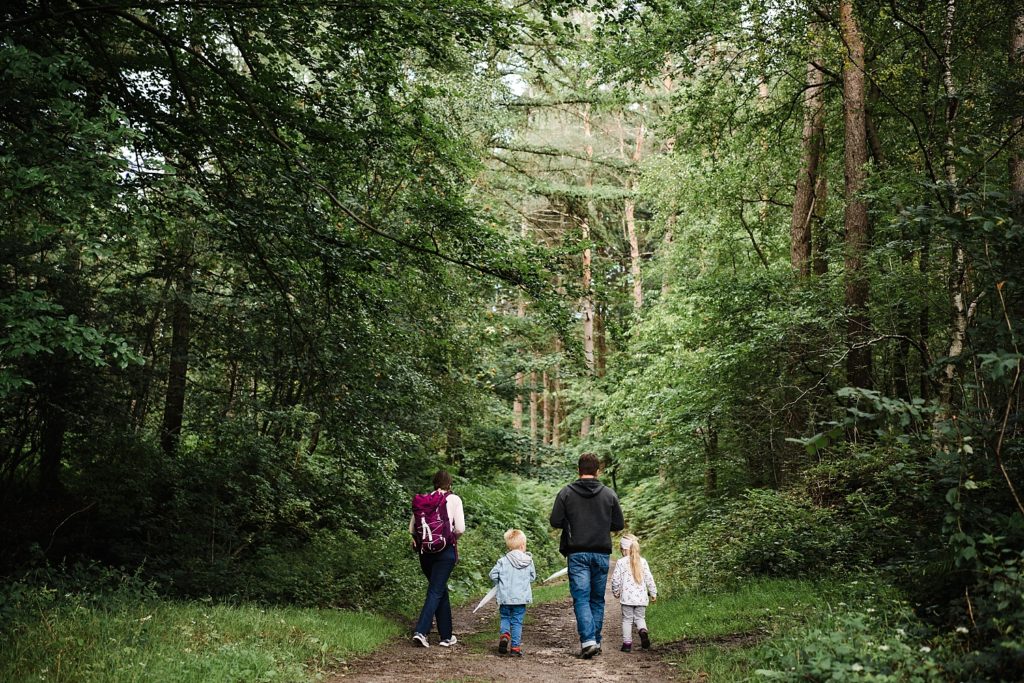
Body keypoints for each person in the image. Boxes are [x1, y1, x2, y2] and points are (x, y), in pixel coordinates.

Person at [549, 452, 625, 659]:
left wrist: (572, 523)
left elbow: (555, 521)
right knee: (597, 599)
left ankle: (589, 641)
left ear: (579, 471)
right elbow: (619, 524)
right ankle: (595, 641)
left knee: (581, 598)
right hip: (601, 553)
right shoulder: (609, 494)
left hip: (577, 552)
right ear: (597, 471)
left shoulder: (566, 493)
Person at [410, 469, 465, 648]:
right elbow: (461, 529)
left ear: (434, 483)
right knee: (435, 590)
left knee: (438, 589)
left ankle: (446, 636)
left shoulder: (424, 500)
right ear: (449, 483)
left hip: (425, 552)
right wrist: (451, 539)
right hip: (444, 552)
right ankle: (421, 631)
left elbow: (412, 529)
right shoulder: (454, 499)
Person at [488, 528, 536, 657]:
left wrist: (499, 581)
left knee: (505, 617)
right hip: (520, 598)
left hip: (505, 597)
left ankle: (505, 634)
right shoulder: (528, 561)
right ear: (522, 545)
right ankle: (515, 648)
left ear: (509, 547)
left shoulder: (502, 561)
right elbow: (532, 577)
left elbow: (492, 575)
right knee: (517, 621)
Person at [610, 533, 658, 652]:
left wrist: (616, 591)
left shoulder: (621, 562)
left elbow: (615, 579)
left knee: (627, 620)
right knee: (640, 618)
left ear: (624, 549)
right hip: (641, 598)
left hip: (627, 598)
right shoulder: (643, 561)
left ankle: (627, 645)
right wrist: (653, 592)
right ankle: (642, 631)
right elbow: (649, 578)